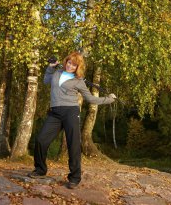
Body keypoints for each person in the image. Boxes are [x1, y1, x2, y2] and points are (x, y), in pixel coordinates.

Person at [28, 51, 116, 189]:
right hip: (55, 113)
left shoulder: (79, 81)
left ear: (77, 67)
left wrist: (109, 99)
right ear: (66, 62)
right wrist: (51, 67)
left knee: (73, 144)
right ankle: (40, 170)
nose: (70, 66)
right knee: (41, 140)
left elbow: (90, 99)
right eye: (69, 63)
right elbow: (46, 81)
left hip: (71, 112)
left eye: (74, 65)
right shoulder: (57, 72)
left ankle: (74, 177)